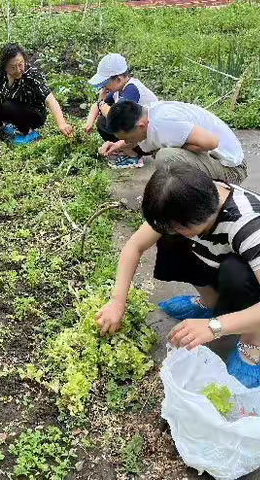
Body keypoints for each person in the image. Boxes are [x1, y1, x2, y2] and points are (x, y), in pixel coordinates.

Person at [96, 162, 260, 388]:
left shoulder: (250, 229)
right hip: (216, 256)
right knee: (169, 239)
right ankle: (209, 303)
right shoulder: (187, 198)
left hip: (249, 275)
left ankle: (253, 341)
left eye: (176, 227)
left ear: (194, 222)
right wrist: (117, 301)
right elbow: (134, 246)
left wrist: (214, 328)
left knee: (236, 273)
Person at [100, 100, 247, 184]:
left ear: (141, 126)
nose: (125, 141)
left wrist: (182, 146)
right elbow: (140, 137)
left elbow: (212, 142)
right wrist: (118, 145)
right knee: (164, 155)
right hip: (221, 161)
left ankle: (202, 203)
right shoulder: (147, 114)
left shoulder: (163, 123)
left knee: (166, 157)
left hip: (233, 170)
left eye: (126, 138)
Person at [0, 43, 74, 145]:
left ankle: (29, 132)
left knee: (7, 104)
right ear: (5, 67)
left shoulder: (32, 75)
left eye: (21, 64)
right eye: (13, 67)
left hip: (33, 113)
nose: (19, 70)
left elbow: (50, 99)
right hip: (10, 109)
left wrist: (62, 124)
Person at [85, 53, 158, 169]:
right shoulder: (118, 90)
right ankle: (125, 149)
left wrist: (101, 103)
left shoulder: (132, 89)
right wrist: (89, 123)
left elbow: (116, 117)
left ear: (118, 79)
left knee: (112, 121)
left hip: (151, 136)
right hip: (139, 133)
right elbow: (97, 105)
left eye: (105, 84)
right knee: (102, 122)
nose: (103, 88)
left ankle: (133, 155)